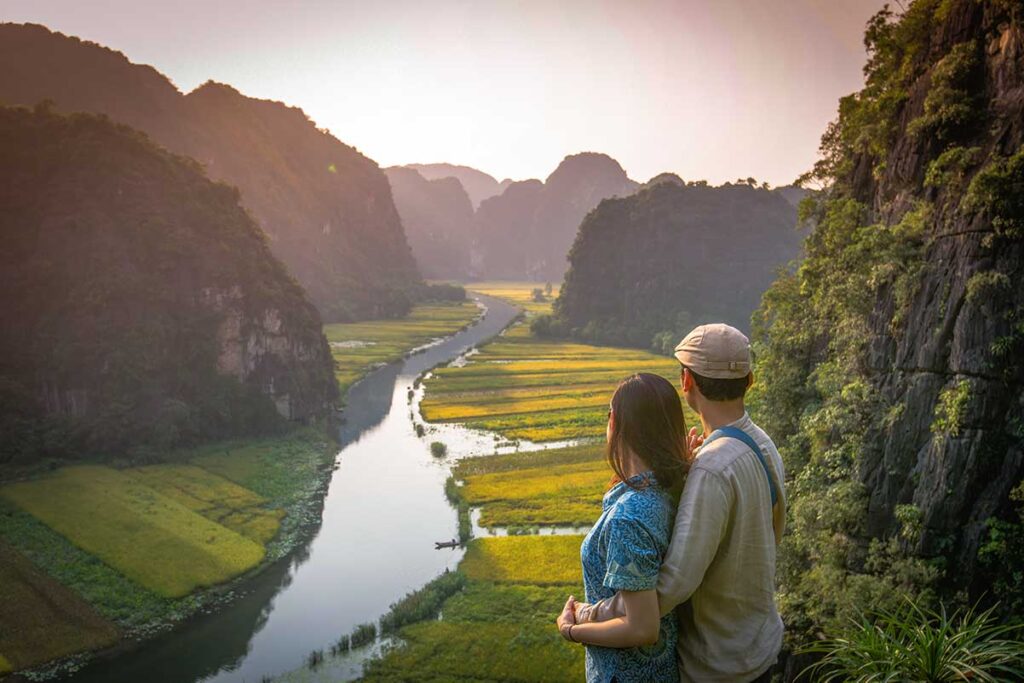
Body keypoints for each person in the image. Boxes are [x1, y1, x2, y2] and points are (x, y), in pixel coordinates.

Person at [571, 324, 786, 683]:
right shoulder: (762, 445)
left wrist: (589, 616)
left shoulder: (712, 468)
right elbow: (773, 531)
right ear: (749, 380)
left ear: (686, 381)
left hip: (718, 662)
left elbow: (673, 585)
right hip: (757, 643)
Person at [555, 372, 691, 683]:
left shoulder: (629, 517)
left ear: (615, 421)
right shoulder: (668, 488)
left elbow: (641, 628)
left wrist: (572, 630)